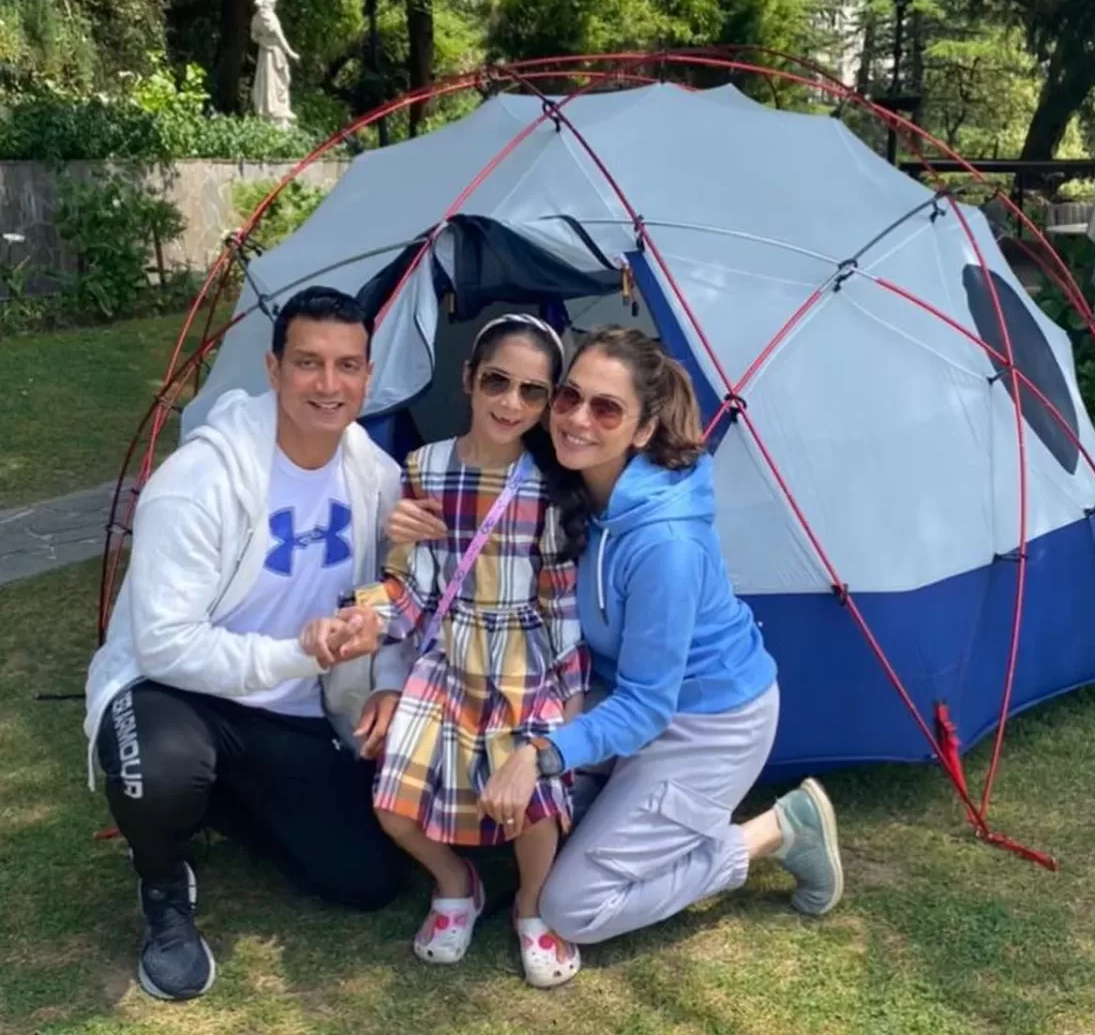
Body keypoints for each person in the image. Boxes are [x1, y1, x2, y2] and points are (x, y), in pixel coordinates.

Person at [387, 325, 843, 955]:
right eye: (569, 398)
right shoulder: (569, 485)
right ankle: (622, 804)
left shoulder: (665, 545)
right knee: (518, 809)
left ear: (643, 430)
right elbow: (486, 555)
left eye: (606, 409)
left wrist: (541, 754)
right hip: (615, 695)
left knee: (571, 905)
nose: (576, 419)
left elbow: (651, 705)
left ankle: (771, 832)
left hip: (705, 722)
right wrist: (409, 528)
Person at [83, 286, 413, 1003]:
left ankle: (218, 805)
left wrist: (385, 674)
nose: (329, 385)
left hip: (290, 711)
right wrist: (297, 655)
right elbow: (167, 645)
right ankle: (164, 886)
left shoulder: (374, 475)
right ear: (272, 369)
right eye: (308, 363)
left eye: (347, 366)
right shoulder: (199, 481)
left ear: (366, 374)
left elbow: (398, 598)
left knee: (369, 881)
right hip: (178, 694)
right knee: (159, 773)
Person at [349, 314, 590, 988]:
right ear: (469, 379)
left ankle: (532, 905)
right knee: (392, 805)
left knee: (536, 802)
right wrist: (361, 617)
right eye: (497, 381)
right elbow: (411, 588)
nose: (511, 404)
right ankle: (456, 883)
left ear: (547, 403)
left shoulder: (549, 484)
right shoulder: (424, 468)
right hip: (448, 657)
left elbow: (558, 600)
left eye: (532, 392)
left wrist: (569, 699)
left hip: (523, 659)